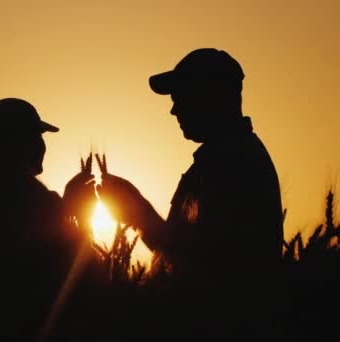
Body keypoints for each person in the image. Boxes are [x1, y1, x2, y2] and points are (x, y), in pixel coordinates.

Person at [97, 48, 285, 339]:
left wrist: (140, 212)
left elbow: (207, 263)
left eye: (180, 97)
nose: (173, 110)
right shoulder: (222, 159)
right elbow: (183, 251)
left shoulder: (235, 164)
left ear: (210, 96)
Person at [0, 98, 98, 341]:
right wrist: (73, 213)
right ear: (13, 143)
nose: (41, 145)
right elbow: (76, 273)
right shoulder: (38, 205)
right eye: (35, 135)